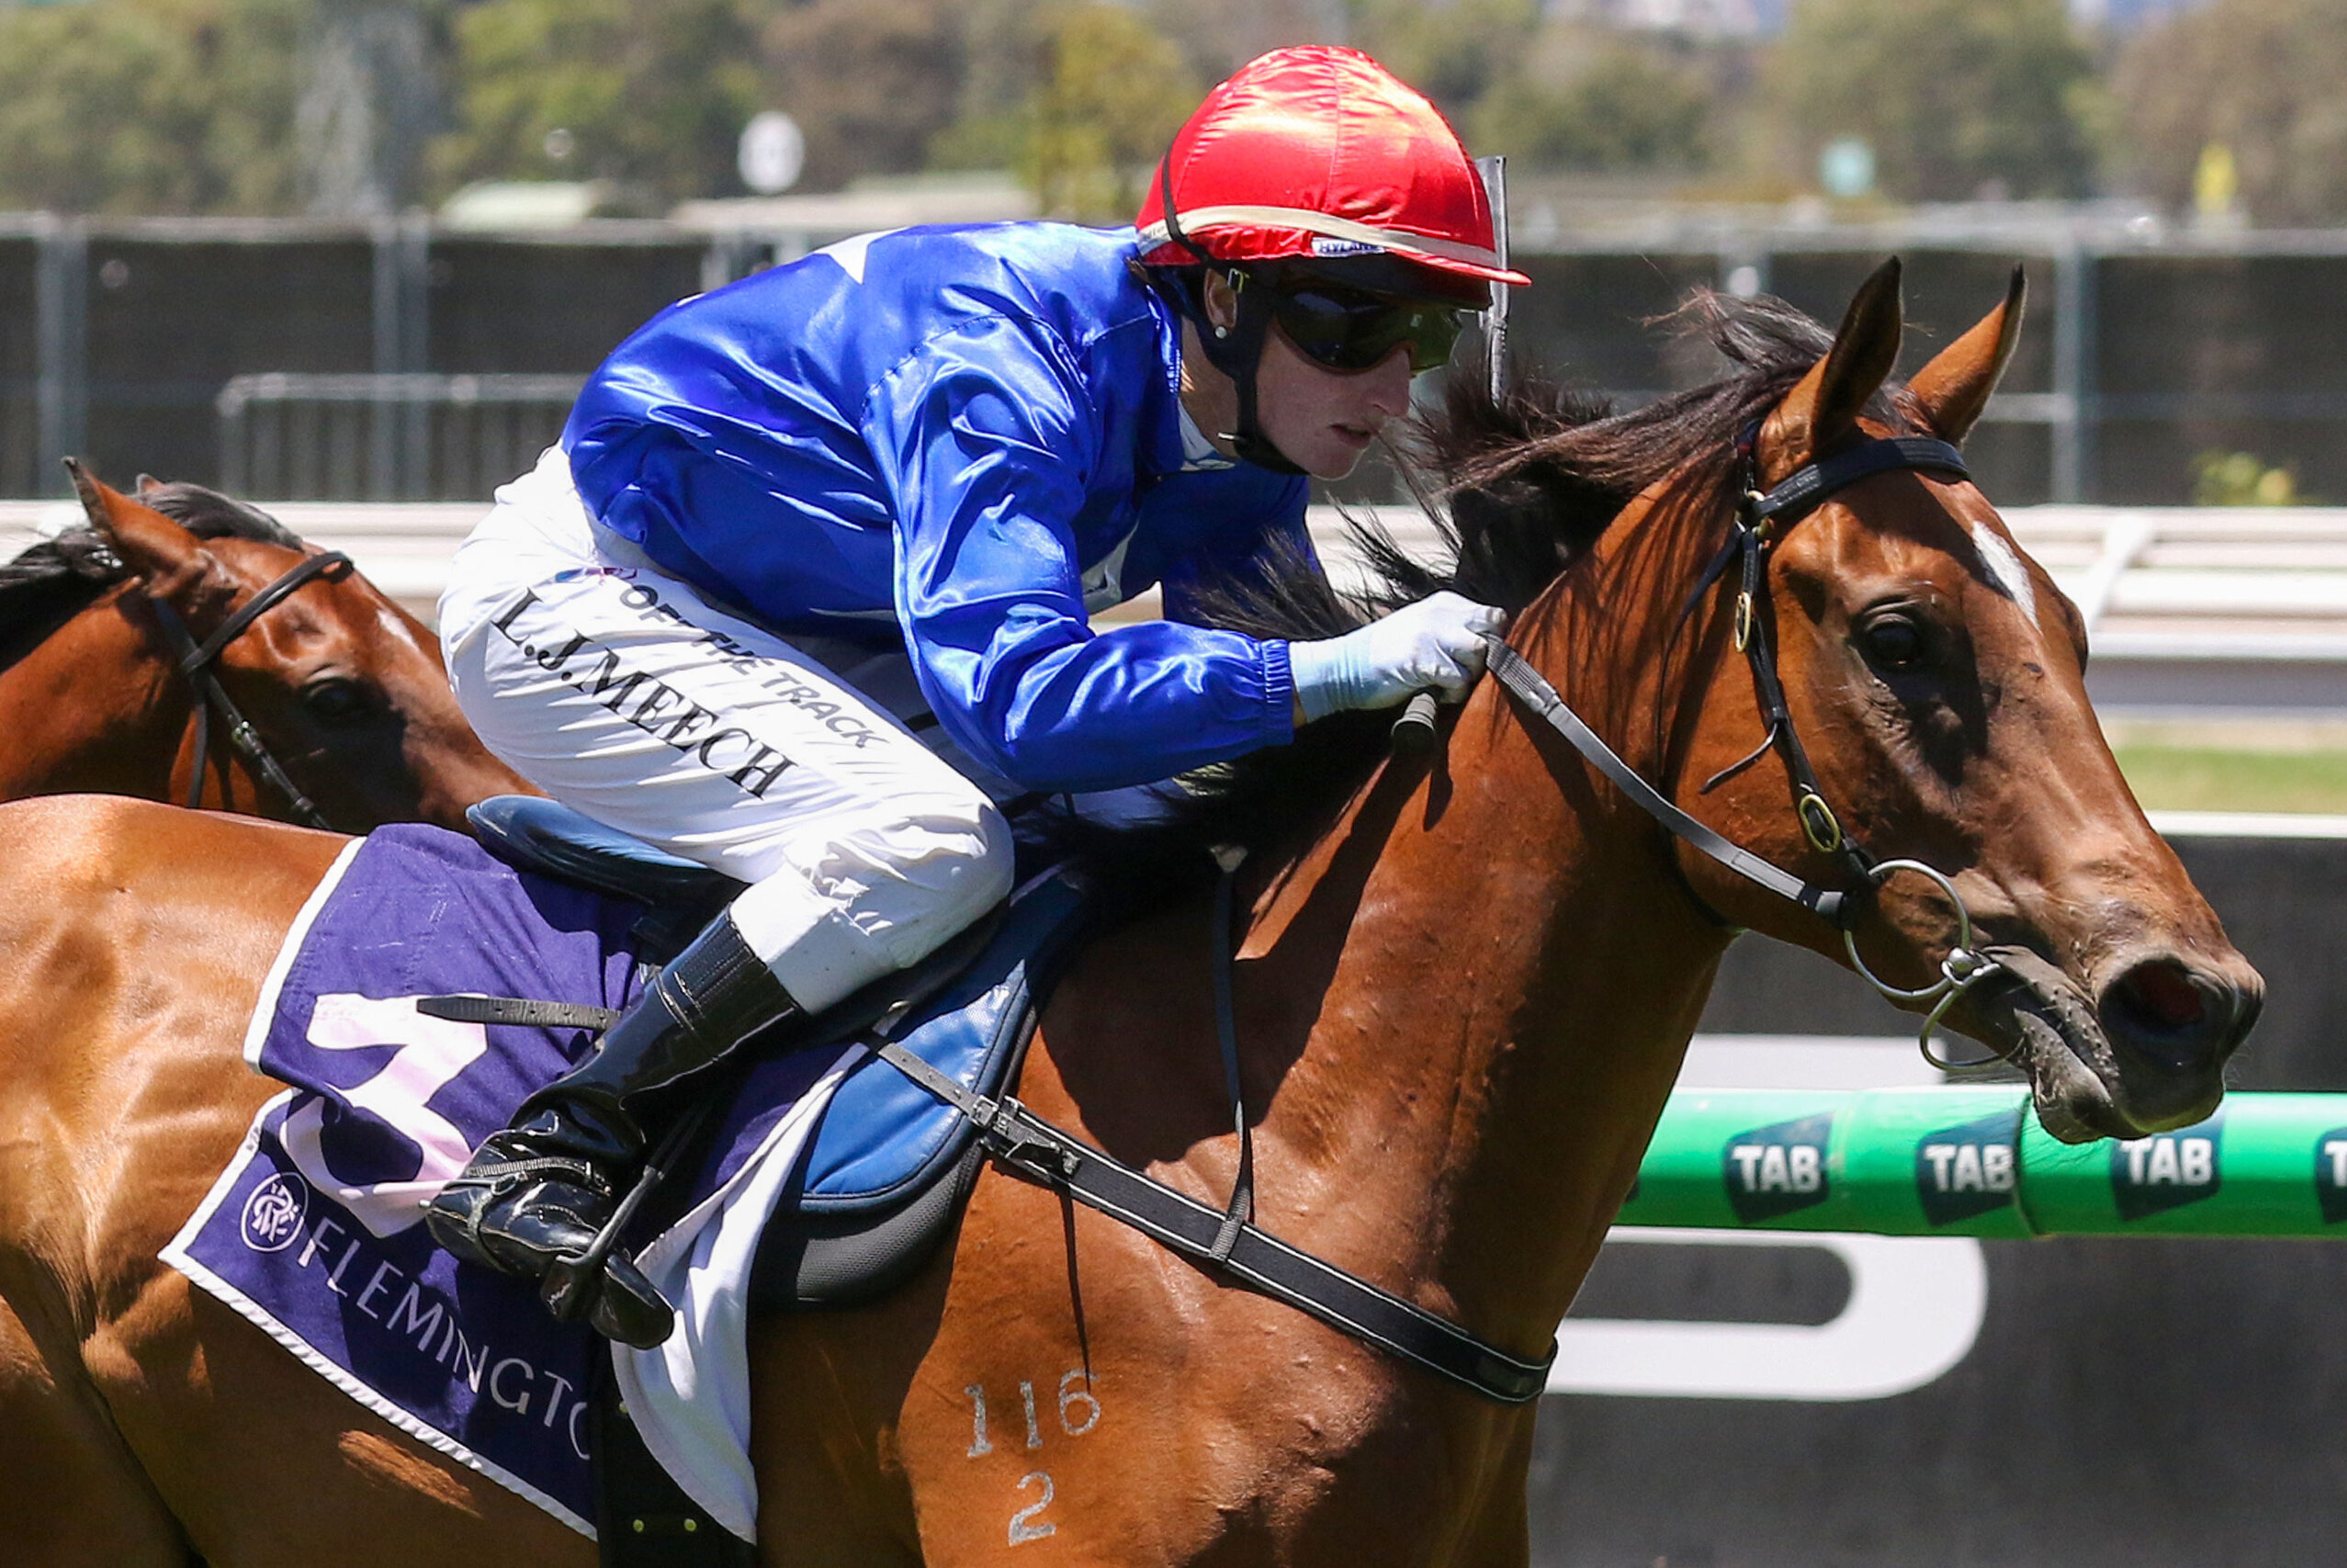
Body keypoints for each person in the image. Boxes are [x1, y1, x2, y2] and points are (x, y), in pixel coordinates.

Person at [425, 43, 1528, 1348]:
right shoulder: (1004, 359)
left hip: (805, 622)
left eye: (1426, 332)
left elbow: (1230, 741)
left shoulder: (1246, 433)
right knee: (934, 844)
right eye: (1353, 327)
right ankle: (564, 1145)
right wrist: (1336, 667)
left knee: (1142, 821)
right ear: (1223, 293)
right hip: (586, 591)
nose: (1393, 388)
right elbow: (1025, 699)